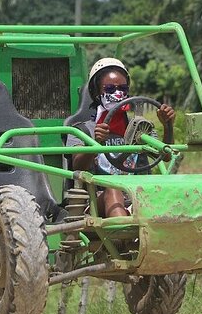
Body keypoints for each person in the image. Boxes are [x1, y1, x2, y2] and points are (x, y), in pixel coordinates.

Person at [66, 58, 175, 217]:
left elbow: (165, 156)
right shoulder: (82, 130)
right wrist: (96, 144)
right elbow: (78, 165)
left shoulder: (139, 128)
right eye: (110, 88)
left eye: (123, 88)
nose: (118, 93)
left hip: (137, 196)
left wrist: (167, 126)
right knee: (113, 189)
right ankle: (124, 236)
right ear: (96, 92)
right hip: (97, 202)